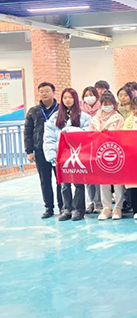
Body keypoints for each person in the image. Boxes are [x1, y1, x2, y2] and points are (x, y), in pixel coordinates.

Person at [43, 88, 92, 221]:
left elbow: (88, 132)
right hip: (61, 155)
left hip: (78, 154)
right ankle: (67, 209)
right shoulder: (55, 117)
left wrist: (71, 130)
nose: (68, 100)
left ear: (75, 99)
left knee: (78, 183)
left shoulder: (84, 117)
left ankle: (78, 209)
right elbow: (49, 137)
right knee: (64, 184)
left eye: (70, 97)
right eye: (65, 98)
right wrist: (51, 154)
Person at [25, 82, 62, 218]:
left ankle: (63, 207)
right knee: (44, 180)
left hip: (58, 150)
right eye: (41, 91)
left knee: (61, 180)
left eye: (47, 91)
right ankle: (48, 207)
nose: (44, 94)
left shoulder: (61, 109)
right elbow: (28, 132)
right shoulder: (33, 111)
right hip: (40, 150)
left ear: (53, 92)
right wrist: (29, 151)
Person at [90, 91, 126, 220]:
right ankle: (106, 208)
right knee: (103, 181)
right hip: (99, 152)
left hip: (115, 152)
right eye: (105, 104)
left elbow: (122, 135)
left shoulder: (118, 117)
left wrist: (109, 134)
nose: (107, 106)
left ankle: (118, 207)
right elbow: (90, 134)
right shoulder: (95, 118)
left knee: (117, 181)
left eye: (110, 103)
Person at [79, 86, 102, 213]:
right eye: (86, 95)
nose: (89, 97)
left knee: (97, 176)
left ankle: (98, 203)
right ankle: (90, 202)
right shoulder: (80, 111)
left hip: (98, 146)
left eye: (91, 94)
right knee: (87, 176)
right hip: (85, 147)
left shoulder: (101, 109)